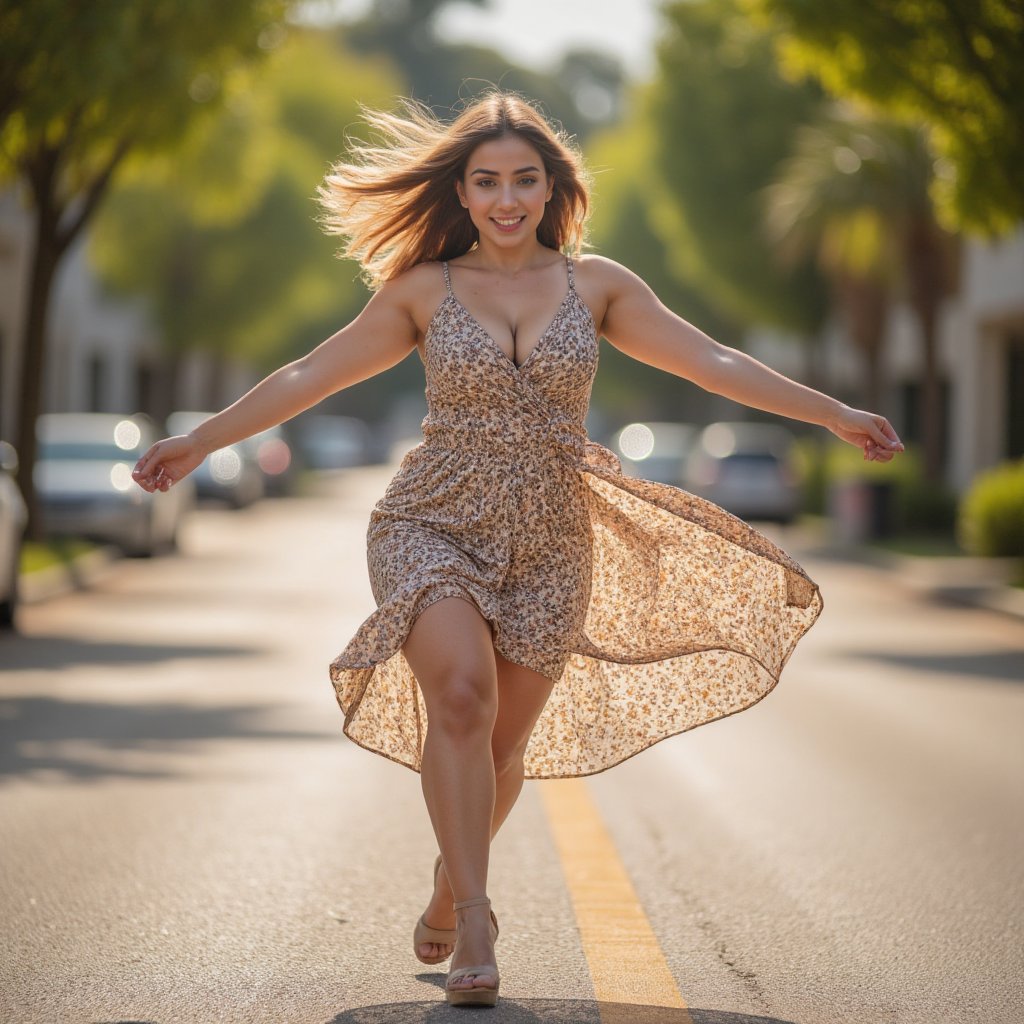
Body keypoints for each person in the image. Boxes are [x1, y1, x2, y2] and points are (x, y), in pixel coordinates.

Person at [132, 91, 904, 1007]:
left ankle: (444, 880)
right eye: (487, 180)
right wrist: (203, 440)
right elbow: (310, 371)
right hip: (432, 518)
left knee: (499, 748)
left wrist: (835, 413)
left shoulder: (599, 286)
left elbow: (715, 361)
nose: (506, 199)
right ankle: (479, 914)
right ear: (461, 190)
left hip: (551, 540)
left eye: (524, 181)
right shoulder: (425, 289)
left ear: (552, 189)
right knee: (459, 697)